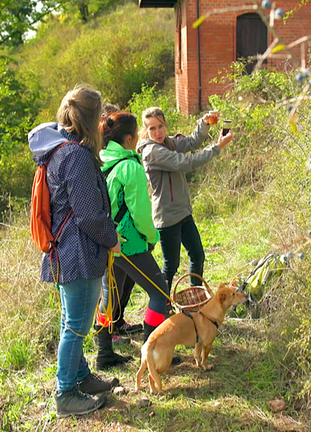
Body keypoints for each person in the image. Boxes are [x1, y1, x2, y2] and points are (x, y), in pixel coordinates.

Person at [28, 86, 121, 418]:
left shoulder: (59, 149)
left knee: (73, 320)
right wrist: (112, 239)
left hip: (65, 254)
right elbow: (86, 214)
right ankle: (65, 393)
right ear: (92, 117)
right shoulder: (76, 155)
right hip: (78, 256)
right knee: (76, 326)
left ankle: (81, 376)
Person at [95, 111, 173, 360]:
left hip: (109, 241)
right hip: (130, 243)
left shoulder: (101, 160)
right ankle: (153, 351)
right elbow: (140, 212)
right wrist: (151, 238)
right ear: (129, 138)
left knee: (109, 297)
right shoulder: (130, 167)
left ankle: (104, 353)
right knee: (159, 294)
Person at [137, 107, 232, 292]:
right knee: (170, 266)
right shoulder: (152, 152)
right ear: (146, 130)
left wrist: (204, 124)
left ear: (165, 125)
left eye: (161, 126)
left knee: (198, 255)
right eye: (152, 129)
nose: (158, 132)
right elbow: (185, 163)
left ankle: (195, 297)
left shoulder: (167, 142)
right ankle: (162, 305)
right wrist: (218, 147)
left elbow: (190, 142)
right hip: (167, 217)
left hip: (183, 212)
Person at [101, 103, 142, 337]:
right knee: (111, 288)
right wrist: (149, 235)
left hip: (115, 233)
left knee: (121, 284)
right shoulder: (117, 161)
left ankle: (116, 325)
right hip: (117, 235)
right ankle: (106, 337)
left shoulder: (110, 158)